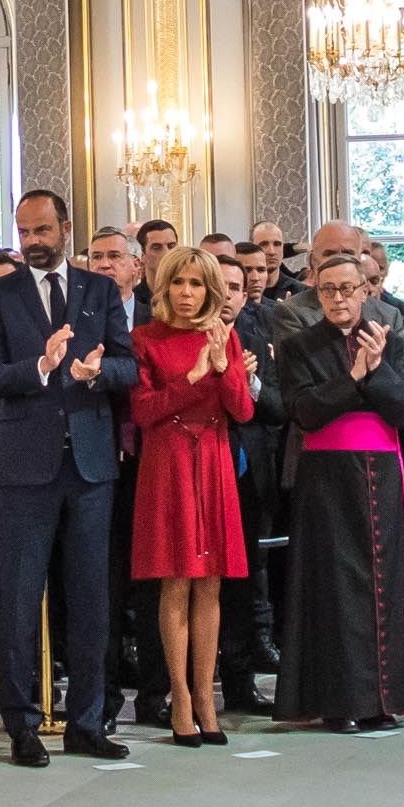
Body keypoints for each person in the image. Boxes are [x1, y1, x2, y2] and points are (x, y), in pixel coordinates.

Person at [0, 189, 134, 768]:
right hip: (23, 466)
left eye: (42, 230)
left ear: (66, 227)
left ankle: (88, 721)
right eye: (24, 232)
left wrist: (96, 371)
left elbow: (129, 363)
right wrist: (39, 367)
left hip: (89, 464)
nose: (33, 242)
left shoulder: (99, 289)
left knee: (91, 598)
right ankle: (23, 725)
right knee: (19, 598)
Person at [260, 244, 404, 730]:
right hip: (326, 478)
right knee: (334, 588)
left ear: (366, 290)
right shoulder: (298, 346)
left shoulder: (386, 339)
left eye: (347, 289)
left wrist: (376, 374)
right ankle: (338, 702)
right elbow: (304, 411)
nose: (338, 299)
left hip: (382, 473)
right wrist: (354, 379)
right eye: (327, 290)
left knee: (383, 585)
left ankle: (379, 701)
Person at [122, 244, 254, 747]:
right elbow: (144, 411)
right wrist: (195, 376)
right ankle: (178, 695)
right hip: (168, 460)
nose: (186, 292)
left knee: (211, 585)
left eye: (196, 284)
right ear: (165, 287)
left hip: (214, 459)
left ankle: (205, 696)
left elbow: (242, 410)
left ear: (210, 290)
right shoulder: (145, 339)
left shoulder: (227, 335)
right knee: (175, 582)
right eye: (179, 282)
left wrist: (222, 364)